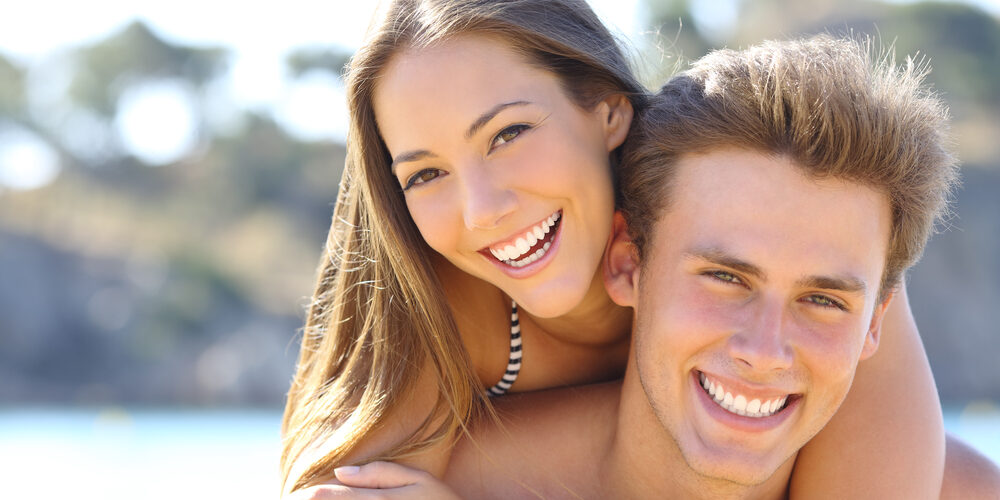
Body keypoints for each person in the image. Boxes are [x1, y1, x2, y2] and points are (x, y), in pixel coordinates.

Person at [280, 1, 948, 496]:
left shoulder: (770, 215)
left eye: (509, 134)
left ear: (607, 109)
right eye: (425, 173)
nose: (482, 209)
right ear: (630, 265)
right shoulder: (437, 302)